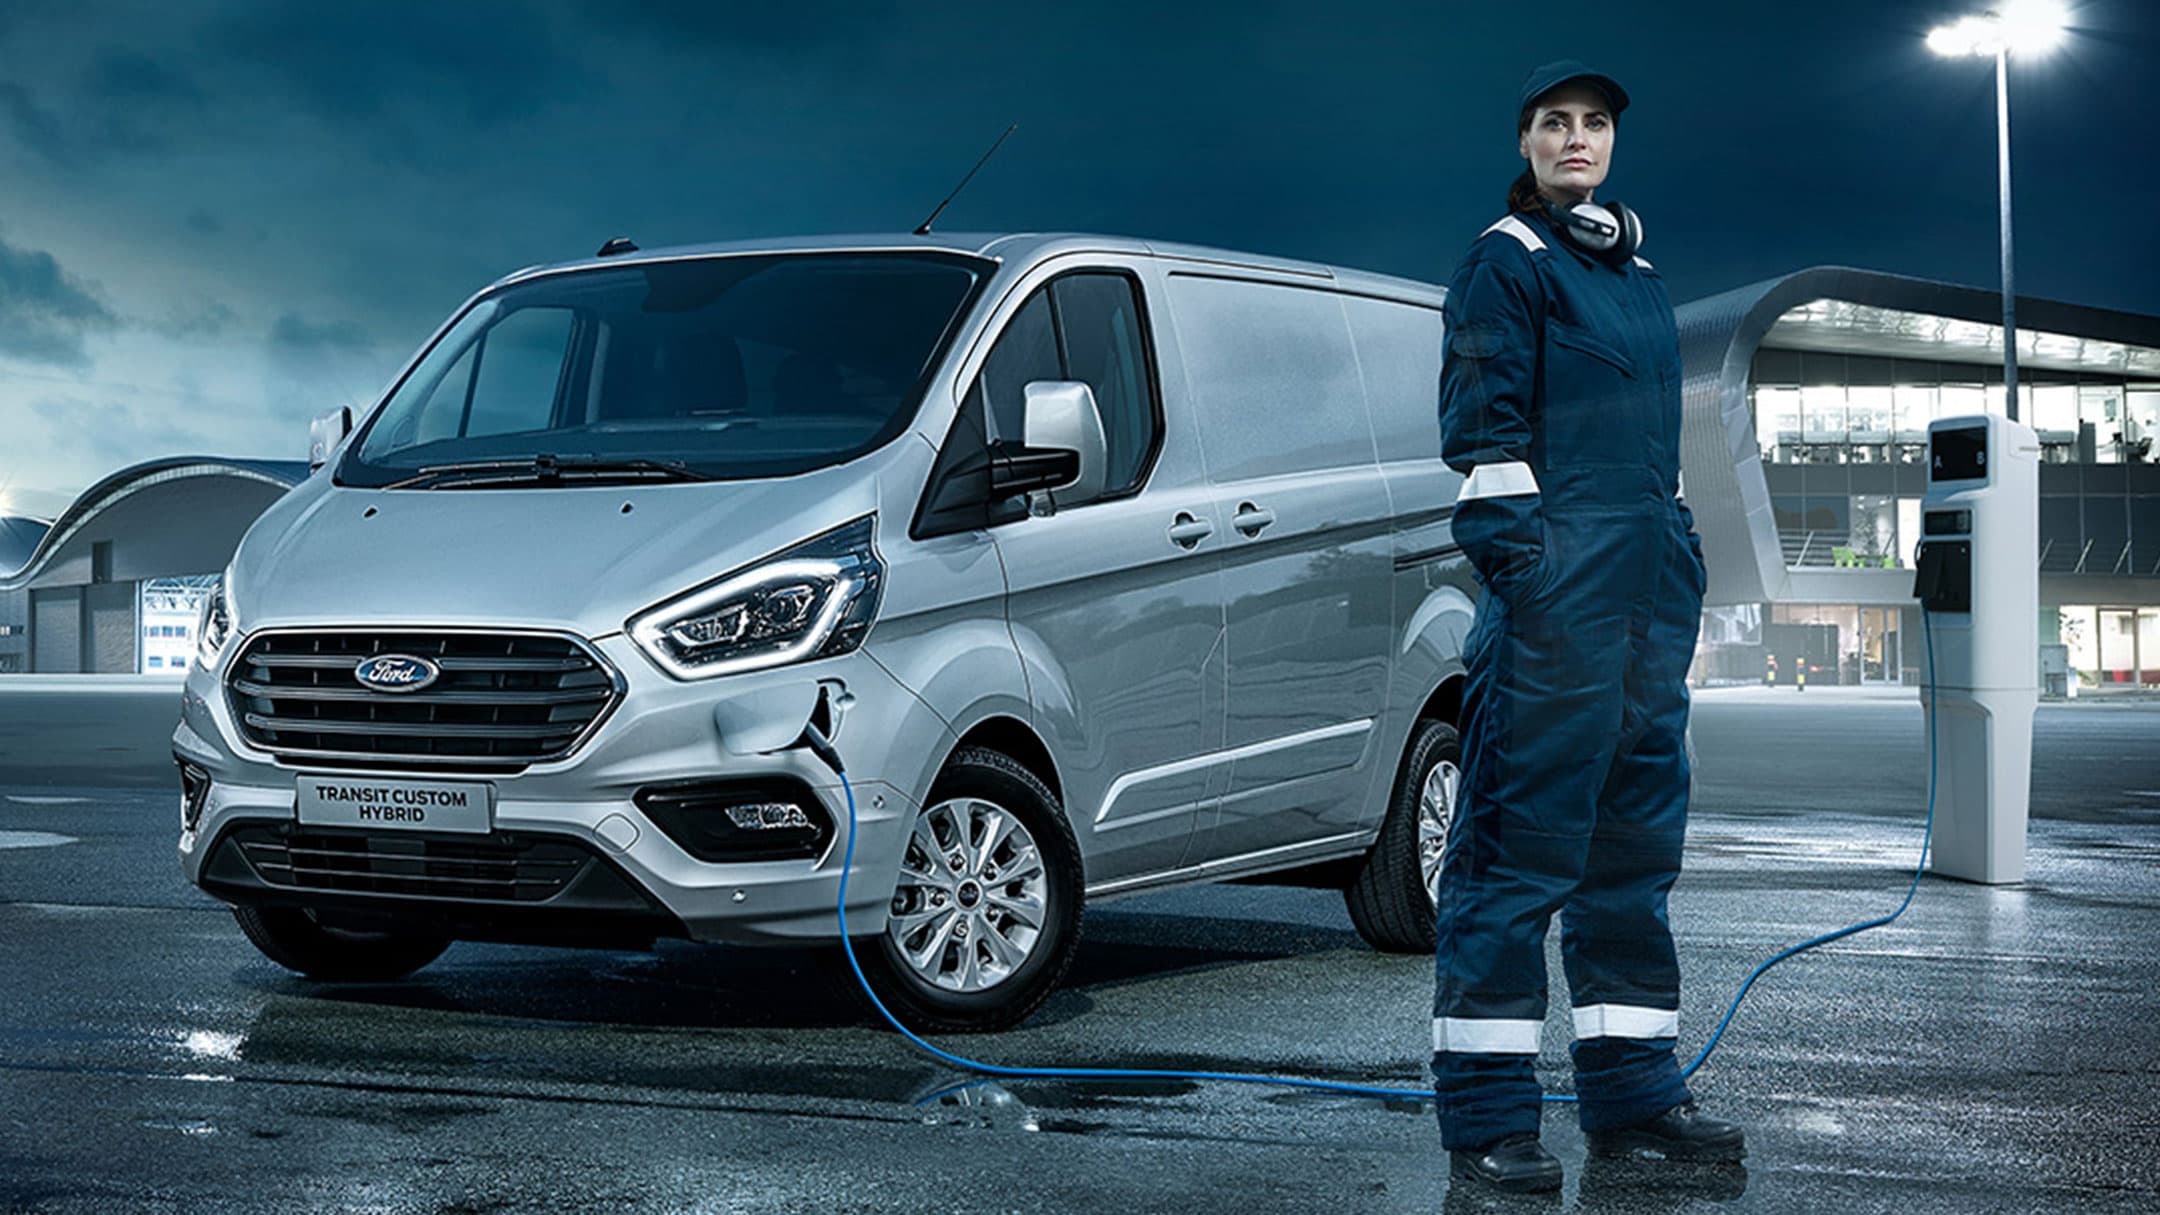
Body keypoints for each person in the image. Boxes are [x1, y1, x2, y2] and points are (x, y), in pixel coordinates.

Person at [1430, 60, 1746, 1193]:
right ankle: (1487, 1120)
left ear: (1613, 143)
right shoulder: (1504, 265)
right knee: (1515, 867)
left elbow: (1652, 458)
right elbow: (1483, 442)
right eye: (1555, 123)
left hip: (1646, 614)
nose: (1577, 138)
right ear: (1525, 141)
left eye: (1595, 123)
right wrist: (1537, 578)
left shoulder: (1642, 278)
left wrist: (1680, 561)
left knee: (1630, 864)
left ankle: (1635, 1099)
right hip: (1557, 614)